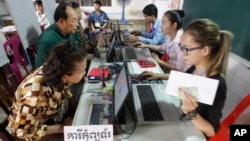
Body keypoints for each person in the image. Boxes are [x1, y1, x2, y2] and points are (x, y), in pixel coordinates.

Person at [8, 40, 88, 140]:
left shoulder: (57, 69)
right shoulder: (35, 96)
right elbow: (22, 132)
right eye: (82, 71)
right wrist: (60, 128)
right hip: (30, 131)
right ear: (65, 77)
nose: (84, 73)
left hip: (50, 114)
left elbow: (63, 94)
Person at [178, 19, 233, 137]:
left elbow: (212, 131)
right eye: (181, 47)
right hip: (182, 123)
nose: (182, 53)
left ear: (205, 50)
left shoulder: (217, 84)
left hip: (194, 134)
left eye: (186, 49)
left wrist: (190, 112)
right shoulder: (194, 68)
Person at [137, 10, 187, 80]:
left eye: (164, 23)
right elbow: (162, 48)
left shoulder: (179, 43)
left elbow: (179, 69)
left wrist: (159, 61)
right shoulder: (170, 36)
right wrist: (145, 45)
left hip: (176, 77)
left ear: (174, 25)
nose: (161, 27)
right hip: (168, 72)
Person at [35, 2, 79, 68]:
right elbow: (41, 69)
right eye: (73, 21)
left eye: (77, 21)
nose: (77, 24)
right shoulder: (47, 41)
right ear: (62, 21)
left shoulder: (71, 32)